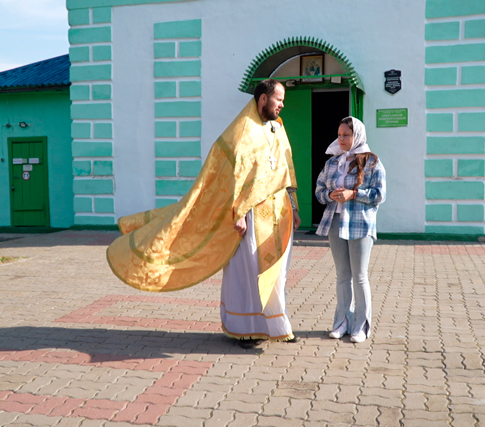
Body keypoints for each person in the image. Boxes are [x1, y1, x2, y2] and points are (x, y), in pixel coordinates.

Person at [106, 79, 301, 349]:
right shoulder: (242, 131)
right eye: (278, 99)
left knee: (275, 270)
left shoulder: (277, 128)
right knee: (246, 272)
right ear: (263, 99)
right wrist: (238, 214)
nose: (282, 104)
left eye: (282, 100)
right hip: (249, 217)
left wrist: (293, 204)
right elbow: (233, 178)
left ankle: (277, 324)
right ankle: (245, 329)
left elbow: (285, 168)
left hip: (277, 214)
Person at [315, 117, 386, 343]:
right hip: (335, 223)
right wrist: (331, 195)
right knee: (342, 276)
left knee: (360, 276)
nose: (342, 139)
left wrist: (354, 194)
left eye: (347, 134)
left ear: (357, 136)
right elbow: (319, 191)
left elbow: (379, 194)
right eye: (339, 135)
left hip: (360, 224)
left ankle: (361, 326)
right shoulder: (332, 163)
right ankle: (342, 322)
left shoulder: (372, 162)